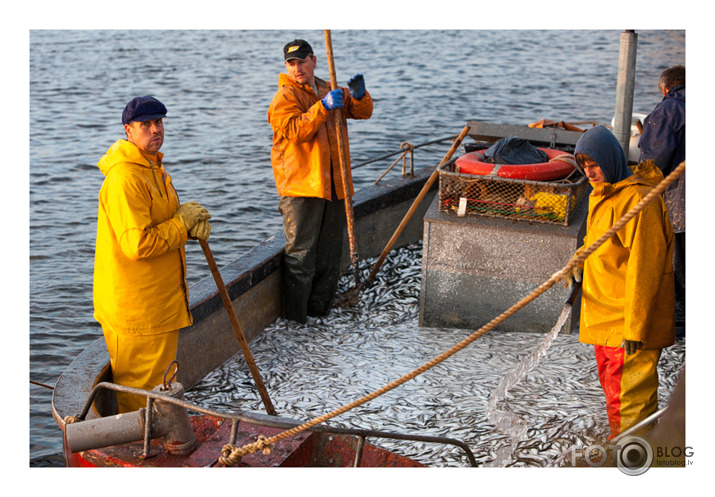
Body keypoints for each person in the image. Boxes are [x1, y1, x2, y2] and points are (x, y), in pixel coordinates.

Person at [94, 96, 212, 413]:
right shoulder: (125, 178)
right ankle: (139, 451)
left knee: (158, 387)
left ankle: (155, 442)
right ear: (128, 130)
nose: (154, 130)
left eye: (158, 122)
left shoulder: (152, 167)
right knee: (141, 399)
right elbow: (138, 245)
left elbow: (160, 225)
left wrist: (187, 228)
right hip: (138, 310)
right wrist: (180, 223)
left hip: (158, 303)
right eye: (145, 124)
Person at [568, 125, 675, 440]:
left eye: (595, 164)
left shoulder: (640, 201)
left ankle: (633, 461)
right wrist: (579, 263)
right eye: (583, 166)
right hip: (604, 318)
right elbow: (595, 243)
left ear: (611, 158)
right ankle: (626, 447)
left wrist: (637, 329)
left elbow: (647, 268)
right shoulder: (601, 194)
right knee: (614, 392)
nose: (590, 172)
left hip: (628, 322)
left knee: (630, 401)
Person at [267, 39, 373, 323]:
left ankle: (320, 314)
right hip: (301, 186)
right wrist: (323, 107)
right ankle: (296, 320)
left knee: (329, 254)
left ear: (314, 60)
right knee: (301, 255)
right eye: (292, 63)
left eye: (302, 61)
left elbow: (362, 112)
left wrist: (361, 95)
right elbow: (295, 131)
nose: (297, 68)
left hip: (334, 184)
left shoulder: (330, 88)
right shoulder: (284, 98)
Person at [638, 65, 685, 323]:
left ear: (665, 89)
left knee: (679, 271)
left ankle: (679, 329)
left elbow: (652, 164)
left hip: (680, 210)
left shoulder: (666, 111)